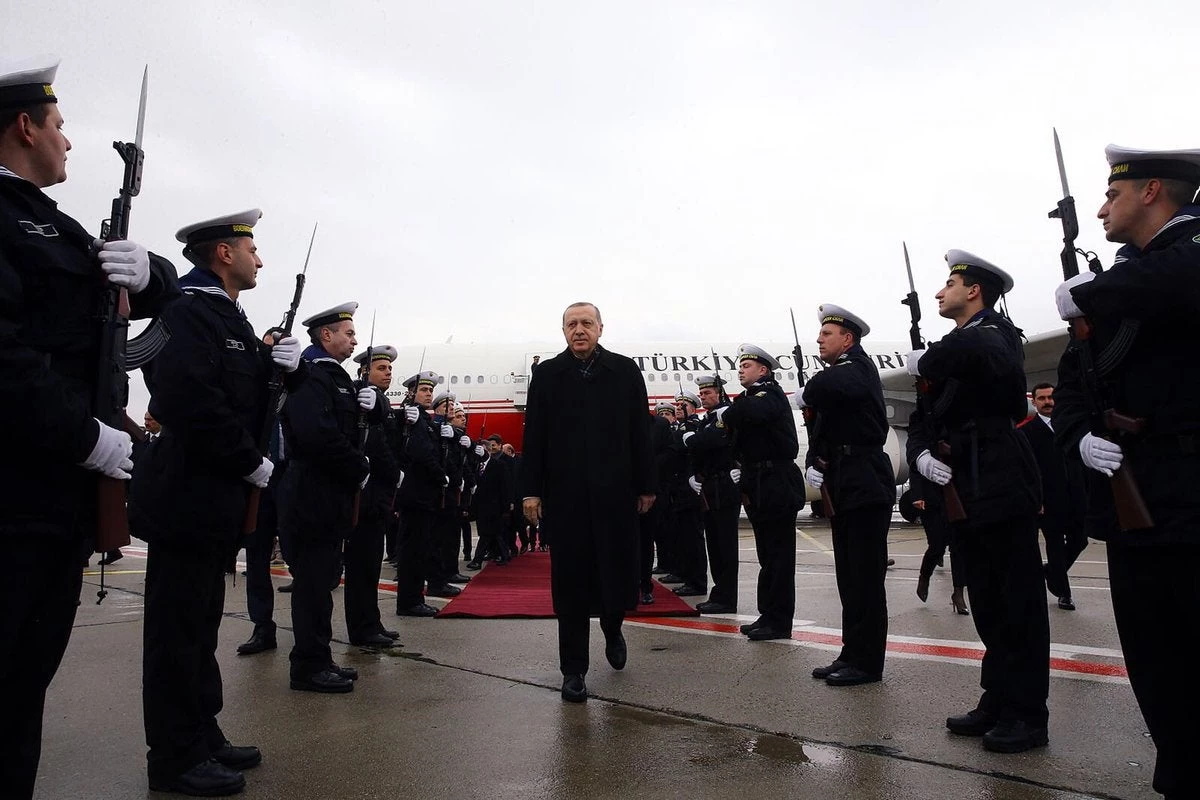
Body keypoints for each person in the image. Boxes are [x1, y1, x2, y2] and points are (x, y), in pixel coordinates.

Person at [0, 55, 177, 800]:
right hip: (17, 498)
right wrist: (89, 436)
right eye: (60, 126)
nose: (68, 142)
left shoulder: (50, 224)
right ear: (24, 125)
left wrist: (154, 274)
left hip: (52, 501)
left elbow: (119, 306)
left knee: (23, 686)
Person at [130, 209, 301, 795]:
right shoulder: (187, 310)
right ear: (223, 254)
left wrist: (279, 366)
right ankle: (174, 756)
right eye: (251, 248)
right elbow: (187, 398)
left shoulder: (228, 317)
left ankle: (202, 733)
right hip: (189, 495)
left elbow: (246, 397)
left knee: (201, 625)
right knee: (177, 630)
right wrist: (247, 460)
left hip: (217, 498)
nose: (260, 259)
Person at [1053, 144, 1200, 799]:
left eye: (1113, 195)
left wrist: (1092, 291)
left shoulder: (1184, 254)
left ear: (1151, 192)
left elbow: (1173, 281)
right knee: (1155, 659)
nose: (1101, 207)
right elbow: (1075, 385)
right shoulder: (1122, 278)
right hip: (1133, 500)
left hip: (1194, 496)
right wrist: (1082, 435)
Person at [905, 249, 1048, 754]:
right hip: (962, 479)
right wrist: (920, 453)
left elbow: (990, 362)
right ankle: (999, 696)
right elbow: (926, 415)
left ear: (975, 291)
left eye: (949, 283)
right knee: (986, 597)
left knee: (1018, 600)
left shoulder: (995, 334)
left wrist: (932, 358)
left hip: (999, 472)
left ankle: (1028, 713)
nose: (940, 292)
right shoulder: (957, 344)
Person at [521, 302, 655, 703]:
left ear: (600, 328)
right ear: (563, 330)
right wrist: (531, 490)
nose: (579, 330)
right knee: (571, 583)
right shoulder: (546, 376)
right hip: (567, 499)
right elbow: (535, 439)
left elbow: (640, 433)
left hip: (616, 495)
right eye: (571, 324)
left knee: (617, 573)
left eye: (586, 323)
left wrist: (646, 485)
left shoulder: (624, 371)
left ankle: (613, 627)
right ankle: (573, 670)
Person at [278, 302, 382, 693]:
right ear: (327, 335)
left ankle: (318, 658)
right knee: (312, 585)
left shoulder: (335, 378)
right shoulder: (312, 375)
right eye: (348, 333)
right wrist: (359, 466)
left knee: (321, 583)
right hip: (313, 494)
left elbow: (349, 428)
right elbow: (316, 435)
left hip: (328, 495)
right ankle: (307, 665)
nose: (354, 340)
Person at [802, 305, 895, 686]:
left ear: (848, 339)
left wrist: (811, 389)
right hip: (843, 478)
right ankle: (852, 652)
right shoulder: (839, 374)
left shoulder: (857, 368)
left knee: (866, 577)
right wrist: (816, 460)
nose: (819, 340)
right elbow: (823, 423)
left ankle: (868, 663)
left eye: (827, 334)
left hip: (864, 479)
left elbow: (819, 390)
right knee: (849, 576)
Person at [722, 344, 805, 642]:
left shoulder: (769, 394)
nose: (741, 370)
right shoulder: (749, 398)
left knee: (780, 556)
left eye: (746, 366)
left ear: (763, 370)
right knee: (767, 555)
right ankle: (767, 614)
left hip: (777, 481)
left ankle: (780, 621)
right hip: (759, 481)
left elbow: (746, 415)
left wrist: (732, 410)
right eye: (740, 366)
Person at [344, 344, 402, 647]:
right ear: (364, 371)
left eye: (390, 368)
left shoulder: (381, 402)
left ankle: (372, 621)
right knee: (361, 566)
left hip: (379, 494)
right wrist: (394, 473)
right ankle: (362, 627)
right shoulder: (360, 397)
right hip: (366, 495)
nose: (388, 372)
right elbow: (375, 447)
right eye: (381, 368)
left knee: (371, 565)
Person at [1019, 383, 1087, 611]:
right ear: (1034, 402)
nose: (1048, 402)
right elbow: (1028, 470)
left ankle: (1051, 572)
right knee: (1055, 545)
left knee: (1080, 540)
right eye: (1042, 399)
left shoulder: (1071, 426)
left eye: (1051, 397)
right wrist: (1035, 500)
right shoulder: (1027, 432)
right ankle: (1064, 594)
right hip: (1048, 500)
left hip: (1076, 496)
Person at [683, 374, 741, 614]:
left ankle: (727, 597)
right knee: (715, 545)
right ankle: (720, 593)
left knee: (725, 545)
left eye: (708, 393)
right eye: (702, 393)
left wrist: (692, 439)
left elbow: (708, 443)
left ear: (720, 394)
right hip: (710, 486)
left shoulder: (723, 416)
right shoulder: (709, 418)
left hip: (723, 486)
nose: (703, 397)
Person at [394, 371, 446, 617]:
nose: (429, 395)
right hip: (415, 495)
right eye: (424, 391)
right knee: (412, 551)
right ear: (411, 393)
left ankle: (414, 598)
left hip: (424, 495)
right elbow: (421, 453)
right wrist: (441, 476)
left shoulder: (423, 419)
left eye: (430, 391)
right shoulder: (411, 418)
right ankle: (409, 601)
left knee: (419, 549)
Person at [911, 471, 969, 615]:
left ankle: (958, 593)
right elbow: (915, 465)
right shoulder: (926, 448)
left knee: (958, 547)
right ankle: (924, 576)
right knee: (937, 545)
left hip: (955, 495)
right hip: (930, 499)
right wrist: (917, 494)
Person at [468, 434, 514, 568]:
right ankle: (504, 555)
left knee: (489, 534)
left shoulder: (499, 465)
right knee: (492, 533)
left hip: (495, 505)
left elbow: (505, 486)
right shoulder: (477, 465)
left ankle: (477, 560)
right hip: (481, 506)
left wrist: (507, 505)